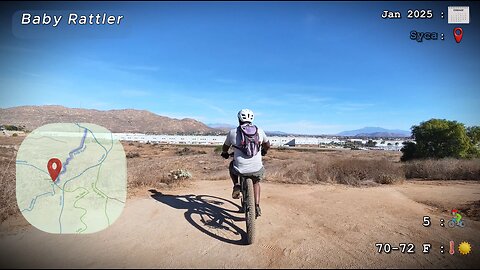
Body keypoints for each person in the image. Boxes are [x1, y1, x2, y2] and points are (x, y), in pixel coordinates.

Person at [221, 109, 270, 218]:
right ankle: (256, 206)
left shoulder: (233, 132)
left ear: (239, 119)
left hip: (240, 169)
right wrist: (264, 151)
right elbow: (268, 144)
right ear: (252, 119)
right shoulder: (259, 131)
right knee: (256, 183)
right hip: (256, 168)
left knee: (231, 165)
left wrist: (224, 153)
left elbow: (225, 147)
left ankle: (236, 185)